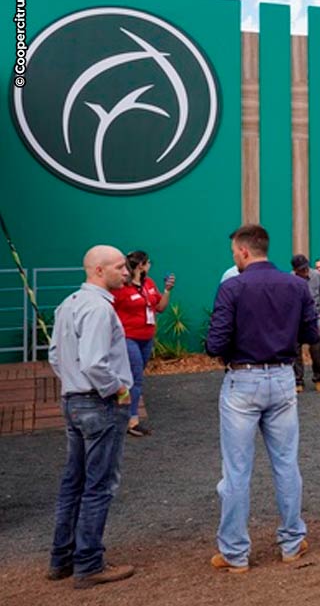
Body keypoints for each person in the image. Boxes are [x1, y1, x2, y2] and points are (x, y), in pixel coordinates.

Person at [205, 225, 319, 572]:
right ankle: (291, 542)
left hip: (243, 379)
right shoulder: (297, 285)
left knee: (237, 471)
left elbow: (215, 342)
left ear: (242, 252)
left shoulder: (232, 287)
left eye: (233, 254)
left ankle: (235, 554)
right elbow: (312, 333)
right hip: (283, 378)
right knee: (286, 464)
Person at [47, 245, 137, 589]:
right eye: (119, 267)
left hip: (73, 399)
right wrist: (118, 389)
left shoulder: (68, 304)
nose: (126, 272)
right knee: (98, 485)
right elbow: (96, 362)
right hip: (99, 404)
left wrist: (72, 380)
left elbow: (56, 355)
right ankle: (89, 563)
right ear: (99, 271)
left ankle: (62, 557)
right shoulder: (99, 309)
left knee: (74, 481)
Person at [110, 250, 175, 437]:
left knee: (134, 375)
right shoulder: (122, 288)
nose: (149, 265)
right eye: (148, 262)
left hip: (147, 337)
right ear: (141, 265)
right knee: (136, 377)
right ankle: (132, 419)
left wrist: (167, 290)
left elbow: (160, 307)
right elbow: (110, 310)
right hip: (128, 336)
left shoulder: (149, 283)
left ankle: (120, 408)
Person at [291, 254, 320, 392]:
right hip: (296, 320)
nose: (305, 271)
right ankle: (298, 381)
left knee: (317, 350)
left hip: (314, 318)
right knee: (295, 352)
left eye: (306, 267)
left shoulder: (316, 276)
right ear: (295, 270)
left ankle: (319, 378)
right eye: (301, 269)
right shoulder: (290, 280)